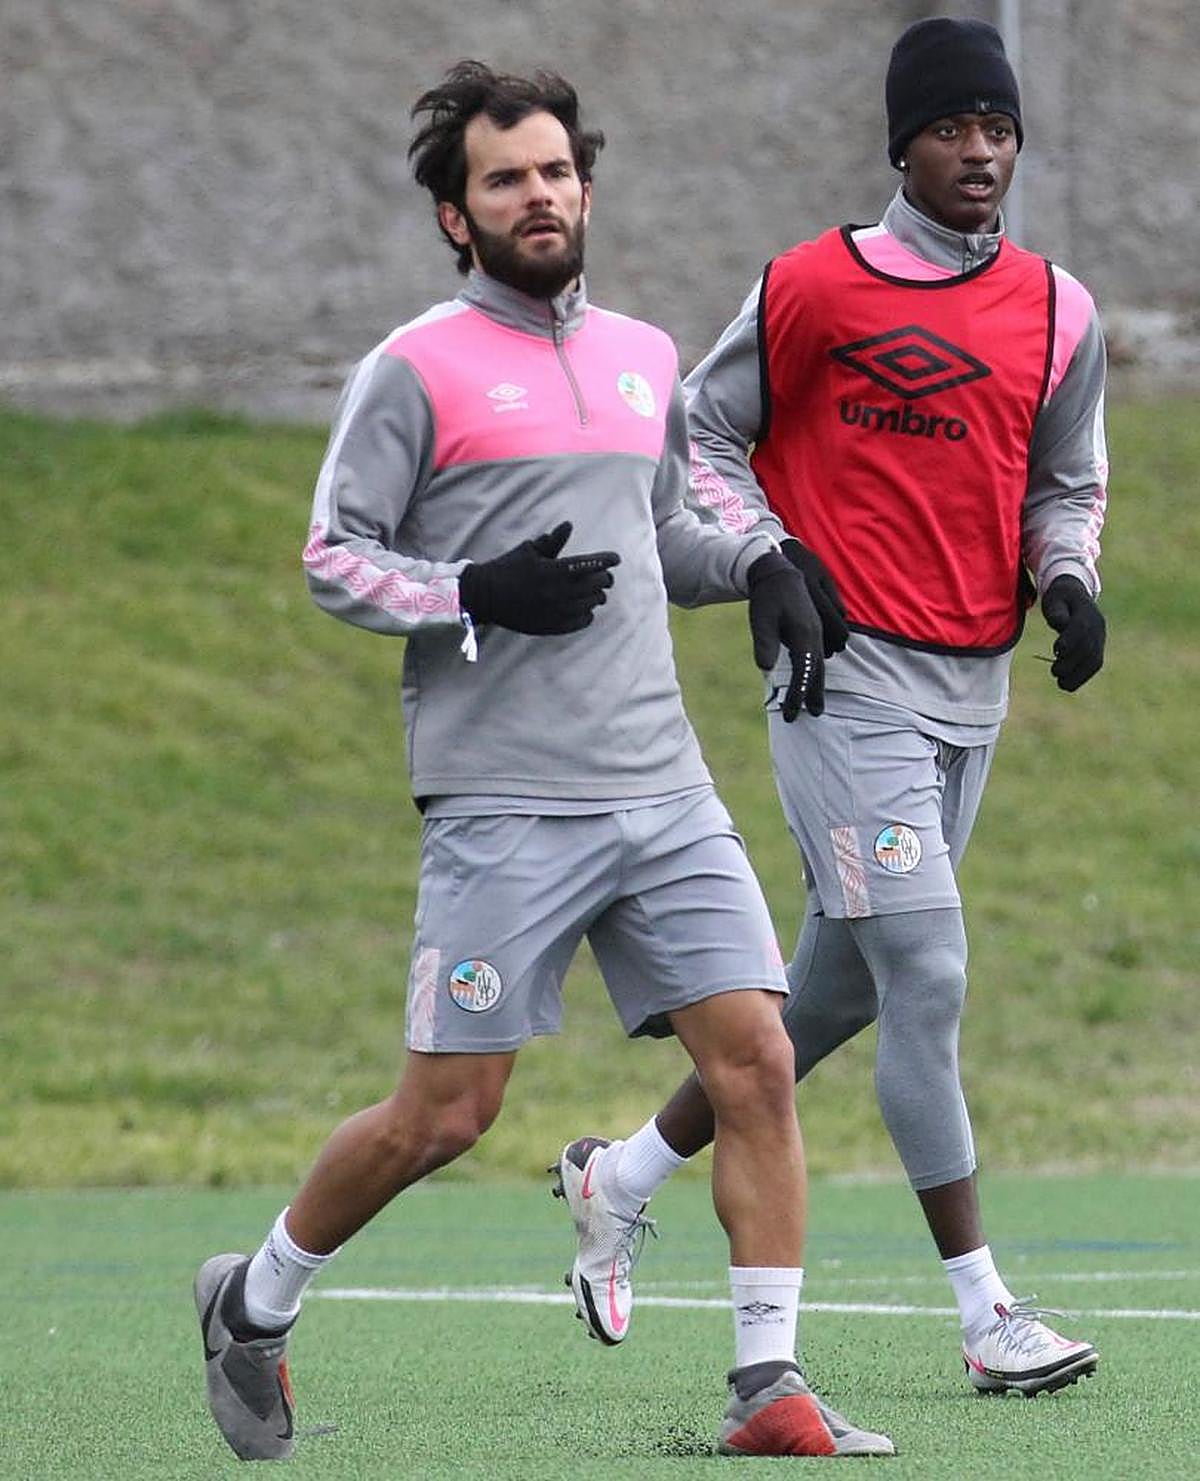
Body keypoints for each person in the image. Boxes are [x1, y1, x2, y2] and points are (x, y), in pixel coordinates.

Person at [192, 61, 894, 1461]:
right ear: (456, 216)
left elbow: (661, 535)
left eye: (559, 172)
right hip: (504, 800)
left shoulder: (643, 354)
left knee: (758, 1059)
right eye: (506, 179)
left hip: (663, 786)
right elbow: (334, 557)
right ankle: (253, 1301)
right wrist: (471, 590)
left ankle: (767, 1387)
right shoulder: (414, 370)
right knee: (447, 1114)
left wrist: (757, 562)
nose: (541, 196)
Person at [557, 17, 1106, 1398]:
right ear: (901, 145)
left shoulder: (1061, 311)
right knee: (929, 971)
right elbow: (701, 433)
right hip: (840, 679)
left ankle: (620, 1176)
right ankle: (986, 1314)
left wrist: (1069, 579)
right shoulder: (812, 286)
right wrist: (768, 554)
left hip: (972, 688)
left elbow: (1066, 480)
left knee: (841, 989)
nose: (979, 150)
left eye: (999, 128)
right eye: (951, 127)